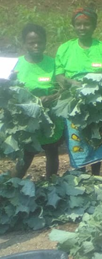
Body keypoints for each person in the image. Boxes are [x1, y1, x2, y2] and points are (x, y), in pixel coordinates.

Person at [55, 8, 102, 175]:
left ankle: (96, 176)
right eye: (78, 24)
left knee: (96, 136)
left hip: (97, 101)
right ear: (73, 26)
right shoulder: (65, 48)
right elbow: (59, 75)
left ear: (94, 26)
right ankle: (80, 175)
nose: (82, 27)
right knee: (77, 138)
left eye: (86, 24)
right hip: (73, 102)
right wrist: (71, 82)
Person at [12, 23, 65, 178]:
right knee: (26, 156)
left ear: (45, 42)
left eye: (39, 42)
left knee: (52, 152)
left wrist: (52, 97)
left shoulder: (53, 63)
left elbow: (62, 87)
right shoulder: (16, 64)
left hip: (51, 117)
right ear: (24, 44)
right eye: (31, 43)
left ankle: (51, 185)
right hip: (27, 119)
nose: (36, 45)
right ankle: (12, 187)